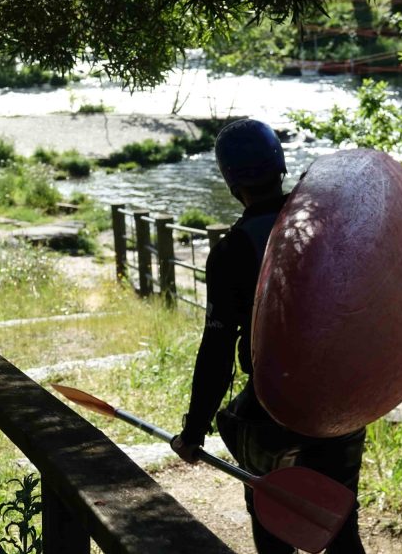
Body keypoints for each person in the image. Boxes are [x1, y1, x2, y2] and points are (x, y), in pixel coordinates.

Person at [170, 119, 366, 554]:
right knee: (339, 526)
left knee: (273, 525)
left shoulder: (232, 252)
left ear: (230, 180)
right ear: (278, 163)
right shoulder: (325, 225)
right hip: (342, 406)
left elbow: (218, 349)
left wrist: (195, 430)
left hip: (272, 408)